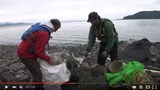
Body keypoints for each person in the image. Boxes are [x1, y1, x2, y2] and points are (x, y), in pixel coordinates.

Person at [17, 19, 61, 90]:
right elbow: (38, 52)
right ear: (54, 26)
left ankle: (36, 84)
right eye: (57, 29)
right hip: (26, 54)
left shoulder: (41, 25)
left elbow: (37, 44)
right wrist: (48, 59)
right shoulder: (43, 33)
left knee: (36, 70)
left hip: (23, 49)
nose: (56, 31)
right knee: (38, 74)